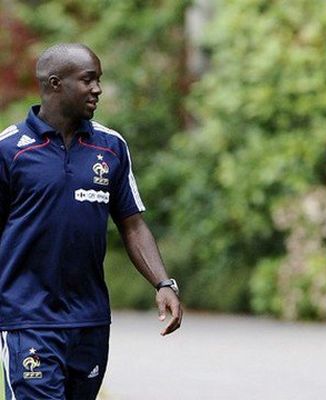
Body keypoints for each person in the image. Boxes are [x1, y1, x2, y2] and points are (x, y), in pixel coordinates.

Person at [0, 43, 183, 399]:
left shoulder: (111, 147)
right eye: (88, 80)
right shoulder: (9, 150)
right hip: (28, 320)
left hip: (90, 321)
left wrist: (164, 283)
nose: (97, 89)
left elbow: (132, 224)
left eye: (98, 80)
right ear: (55, 84)